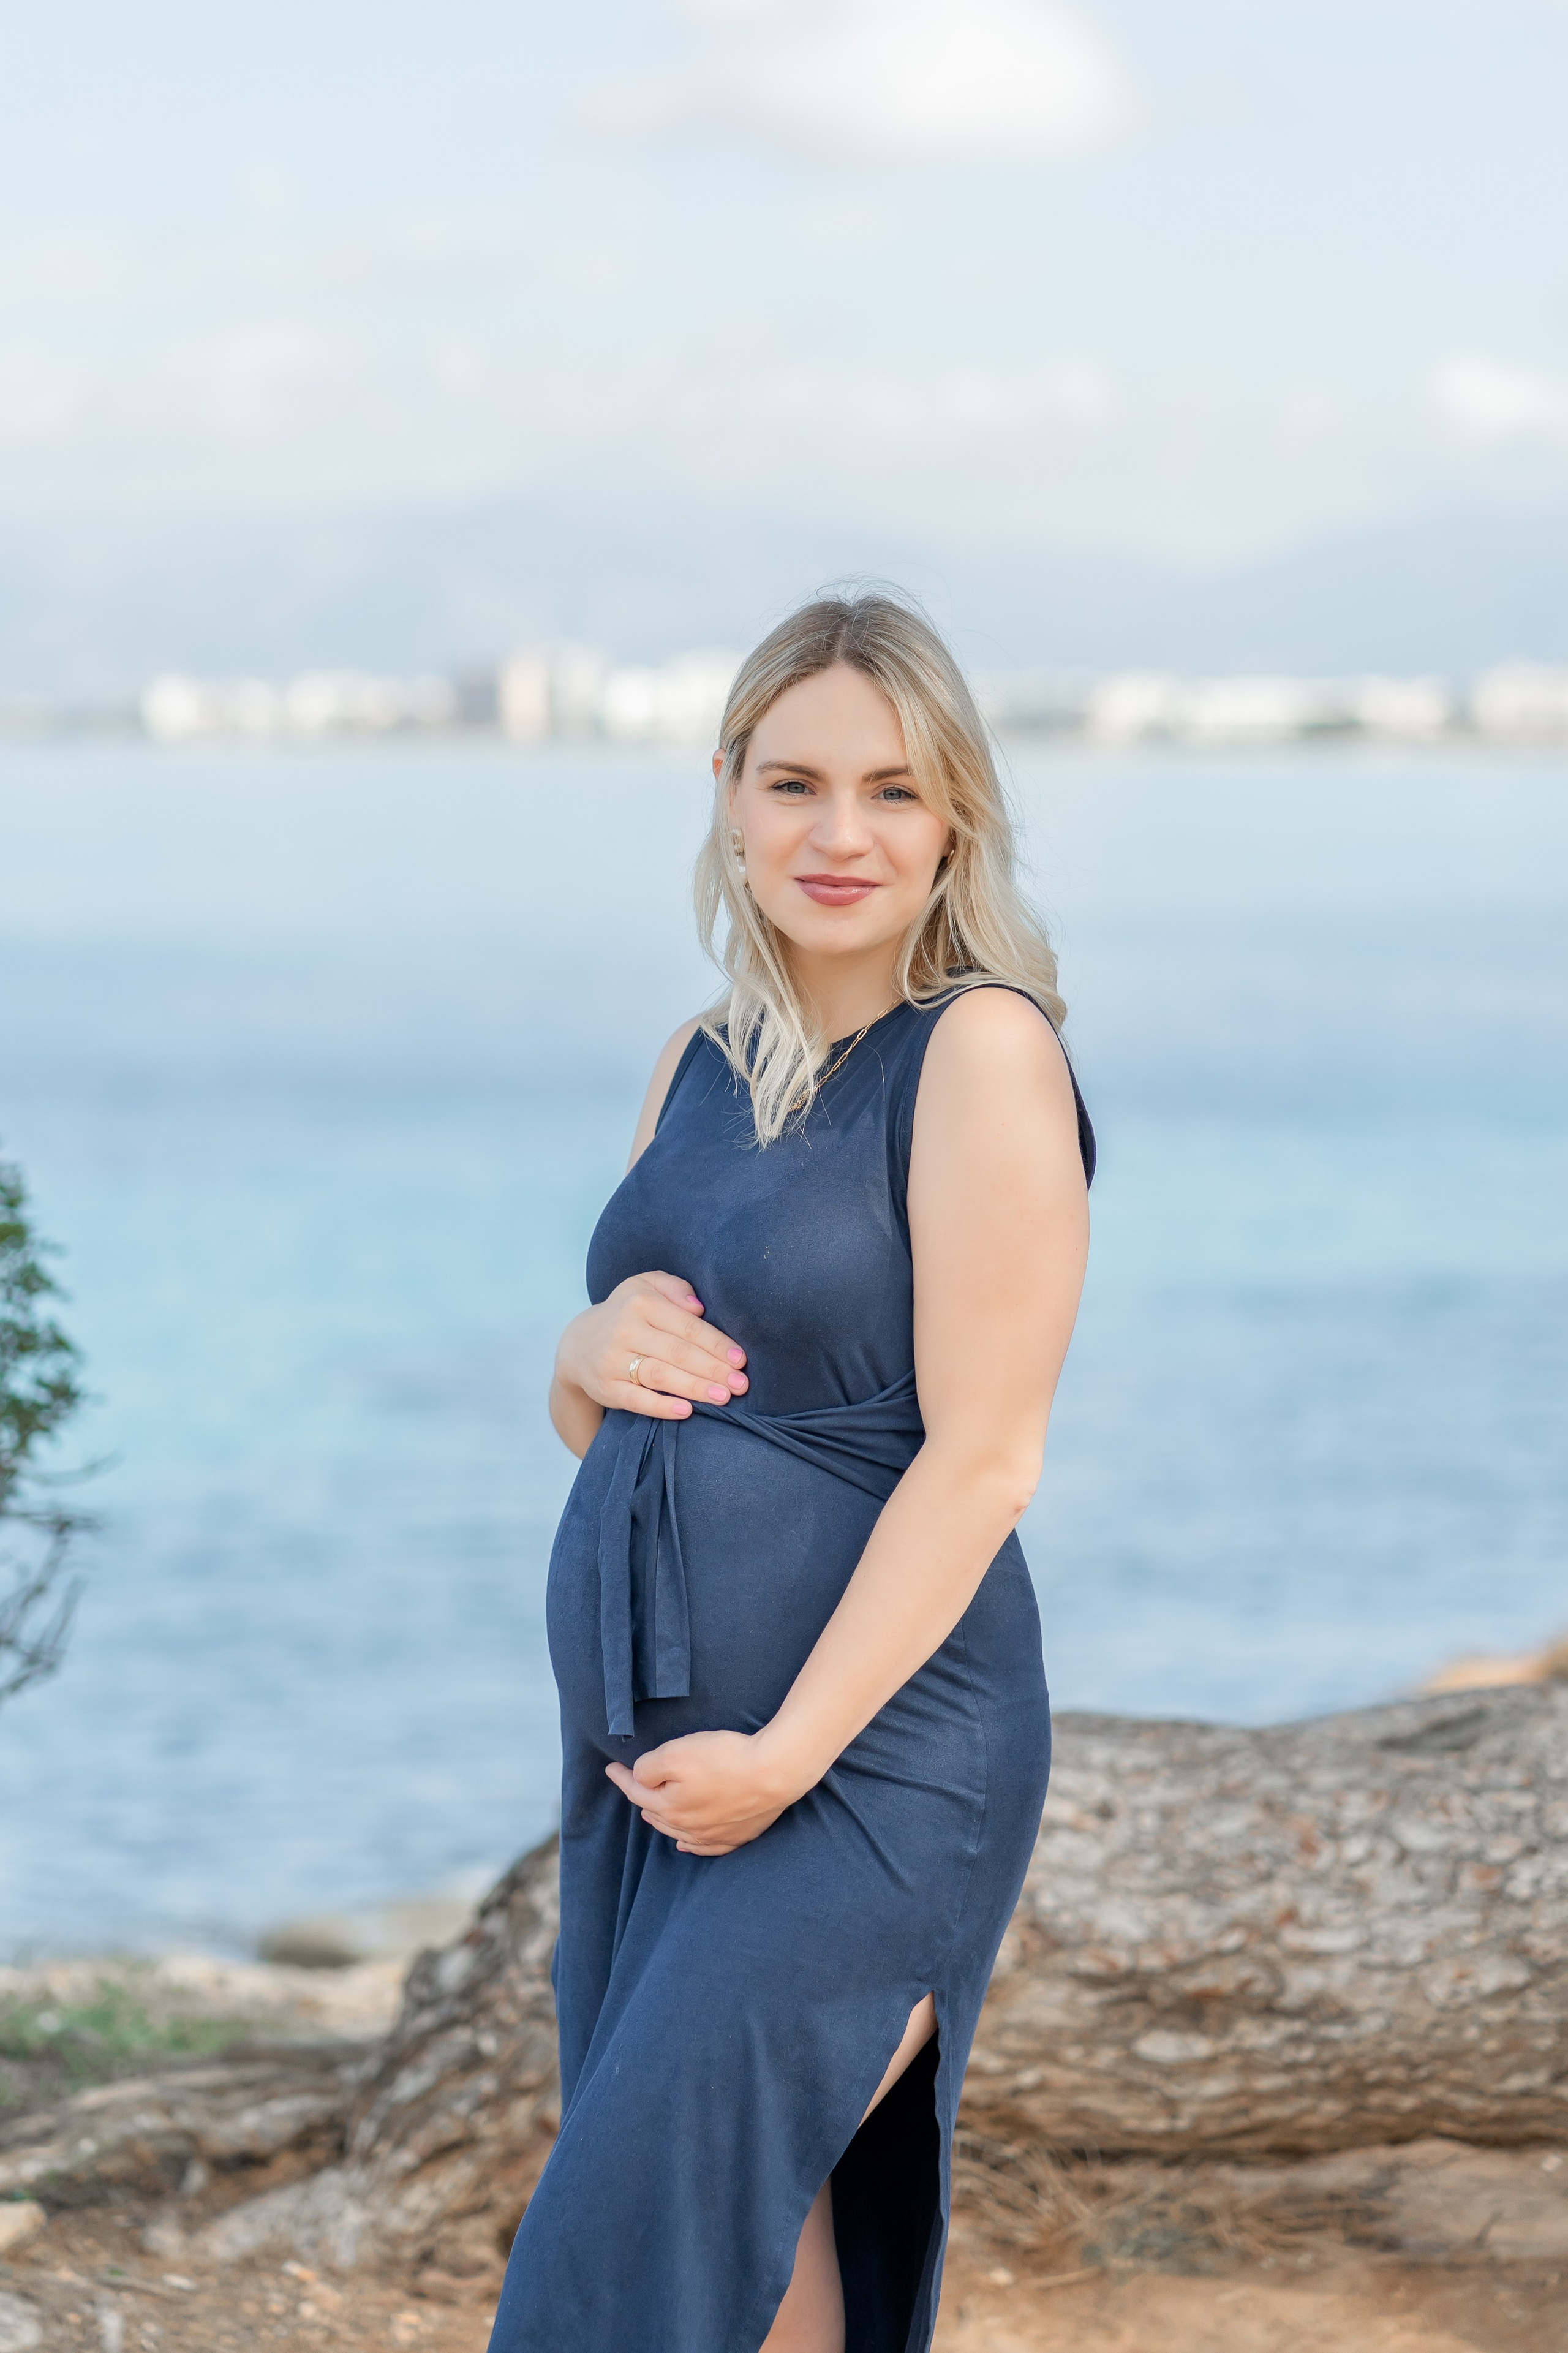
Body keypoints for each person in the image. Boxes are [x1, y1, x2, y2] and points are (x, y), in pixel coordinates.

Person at [486, 591, 1093, 2353]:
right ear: (729, 797)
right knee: (754, 2269)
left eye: (895, 792)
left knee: (617, 2270)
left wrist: (786, 1756)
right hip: (664, 1761)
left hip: (867, 1760)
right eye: (798, 783)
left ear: (957, 818)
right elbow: (653, 1415)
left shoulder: (981, 1052)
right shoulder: (696, 1062)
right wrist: (576, 1356)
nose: (841, 834)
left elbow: (982, 1459)